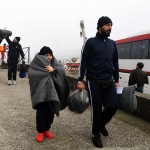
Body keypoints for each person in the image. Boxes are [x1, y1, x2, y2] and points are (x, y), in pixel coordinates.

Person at [77, 16, 119, 148]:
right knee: (96, 108)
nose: (109, 27)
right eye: (107, 25)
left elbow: (115, 62)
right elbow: (84, 61)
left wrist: (116, 80)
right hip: (94, 80)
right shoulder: (90, 42)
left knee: (113, 106)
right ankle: (95, 134)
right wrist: (80, 80)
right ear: (100, 26)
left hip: (109, 81)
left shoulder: (112, 43)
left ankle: (100, 125)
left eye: (111, 25)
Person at [28, 46, 70, 143]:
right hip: (40, 93)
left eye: (50, 55)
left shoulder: (55, 64)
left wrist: (54, 70)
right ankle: (40, 131)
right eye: (47, 55)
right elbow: (32, 74)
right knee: (41, 112)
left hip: (53, 92)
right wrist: (48, 72)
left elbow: (62, 72)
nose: (49, 57)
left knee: (51, 112)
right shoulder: (35, 65)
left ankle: (47, 129)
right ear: (41, 56)